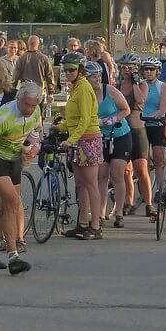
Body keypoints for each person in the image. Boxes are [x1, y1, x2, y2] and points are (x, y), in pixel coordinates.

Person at [0, 84, 43, 275]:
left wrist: (34, 146)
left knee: (6, 209)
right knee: (14, 202)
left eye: (32, 105)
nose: (29, 109)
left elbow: (36, 131)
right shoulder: (4, 116)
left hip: (14, 159)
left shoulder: (36, 111)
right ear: (18, 99)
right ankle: (14, 257)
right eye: (25, 104)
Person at [57, 52, 102, 240]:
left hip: (88, 139)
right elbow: (73, 120)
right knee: (80, 185)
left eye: (71, 70)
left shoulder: (83, 88)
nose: (67, 73)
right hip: (77, 140)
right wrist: (58, 127)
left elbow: (84, 119)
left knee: (91, 184)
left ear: (80, 70)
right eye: (65, 70)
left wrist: (72, 139)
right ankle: (82, 223)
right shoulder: (74, 88)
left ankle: (96, 226)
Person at [93, 62, 131, 228]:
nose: (95, 80)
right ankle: (100, 212)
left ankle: (119, 211)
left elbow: (126, 109)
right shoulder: (85, 93)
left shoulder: (110, 90)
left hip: (120, 134)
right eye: (91, 77)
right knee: (101, 175)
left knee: (117, 174)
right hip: (101, 137)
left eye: (97, 76)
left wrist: (112, 119)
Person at [116, 53, 151, 217]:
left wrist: (136, 82)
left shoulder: (142, 84)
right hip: (123, 131)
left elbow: (140, 100)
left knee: (141, 168)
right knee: (126, 170)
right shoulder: (118, 85)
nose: (127, 70)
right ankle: (128, 202)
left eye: (130, 67)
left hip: (138, 129)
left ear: (137, 69)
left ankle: (149, 203)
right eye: (124, 67)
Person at [139, 56, 166, 220]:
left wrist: (151, 117)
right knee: (144, 161)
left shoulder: (163, 86)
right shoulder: (141, 85)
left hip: (156, 124)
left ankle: (160, 189)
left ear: (157, 72)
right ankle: (146, 190)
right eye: (146, 69)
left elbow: (163, 108)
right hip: (143, 125)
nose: (149, 72)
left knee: (158, 159)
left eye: (152, 69)